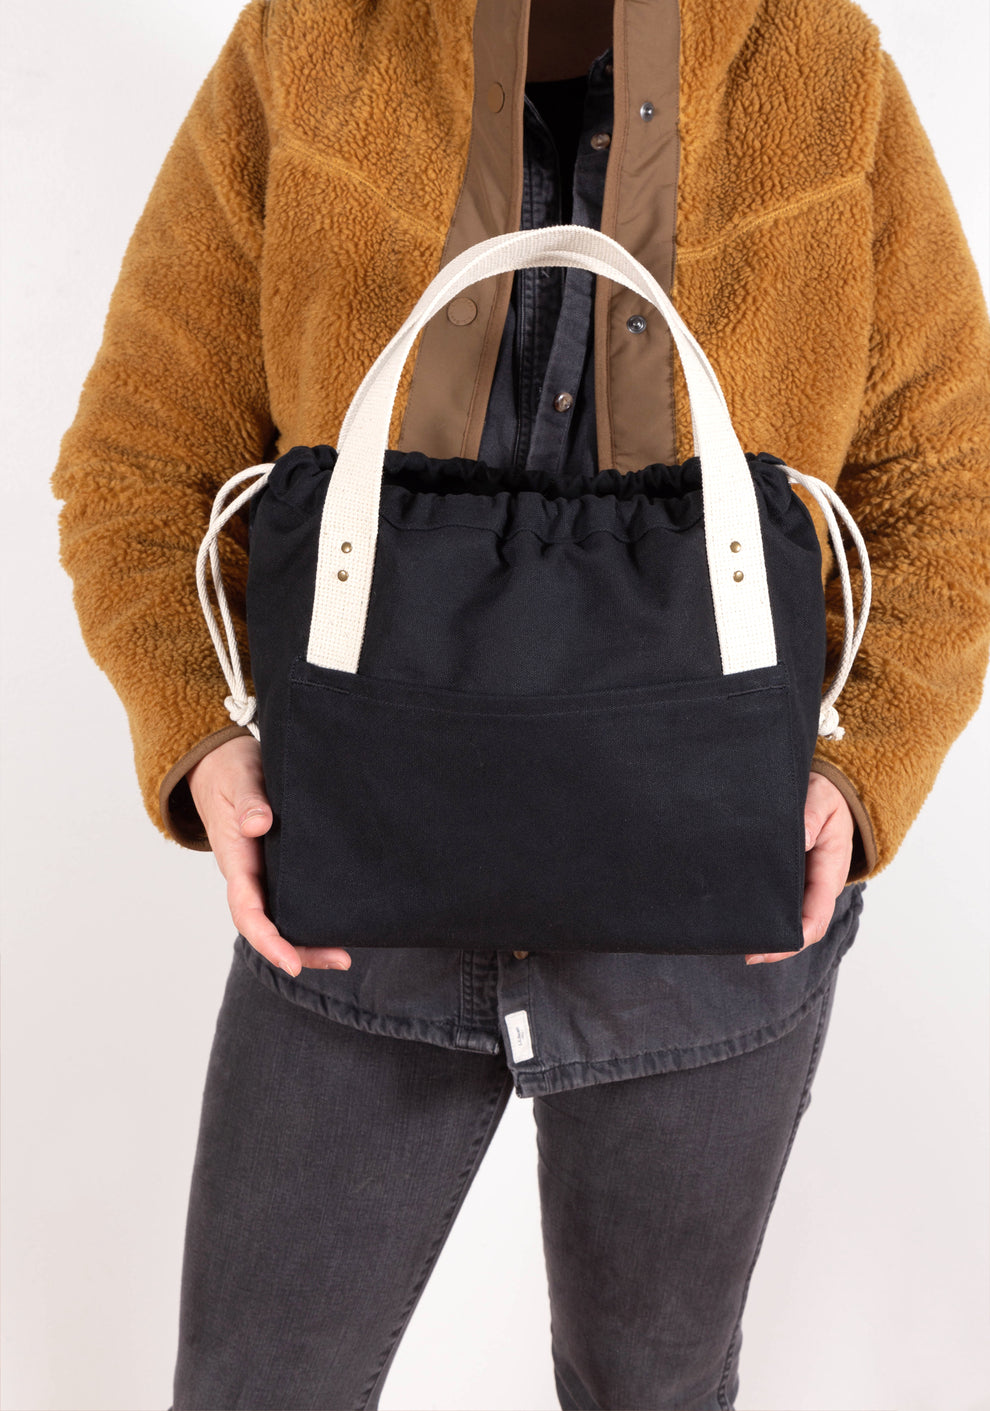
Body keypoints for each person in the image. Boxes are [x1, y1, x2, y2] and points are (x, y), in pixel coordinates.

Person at [50, 0, 990, 1406]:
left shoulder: (817, 59)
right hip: (351, 902)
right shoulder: (310, 39)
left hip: (712, 923)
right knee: (256, 1384)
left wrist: (861, 768)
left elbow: (953, 483)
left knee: (651, 1391)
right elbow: (139, 454)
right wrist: (197, 732)